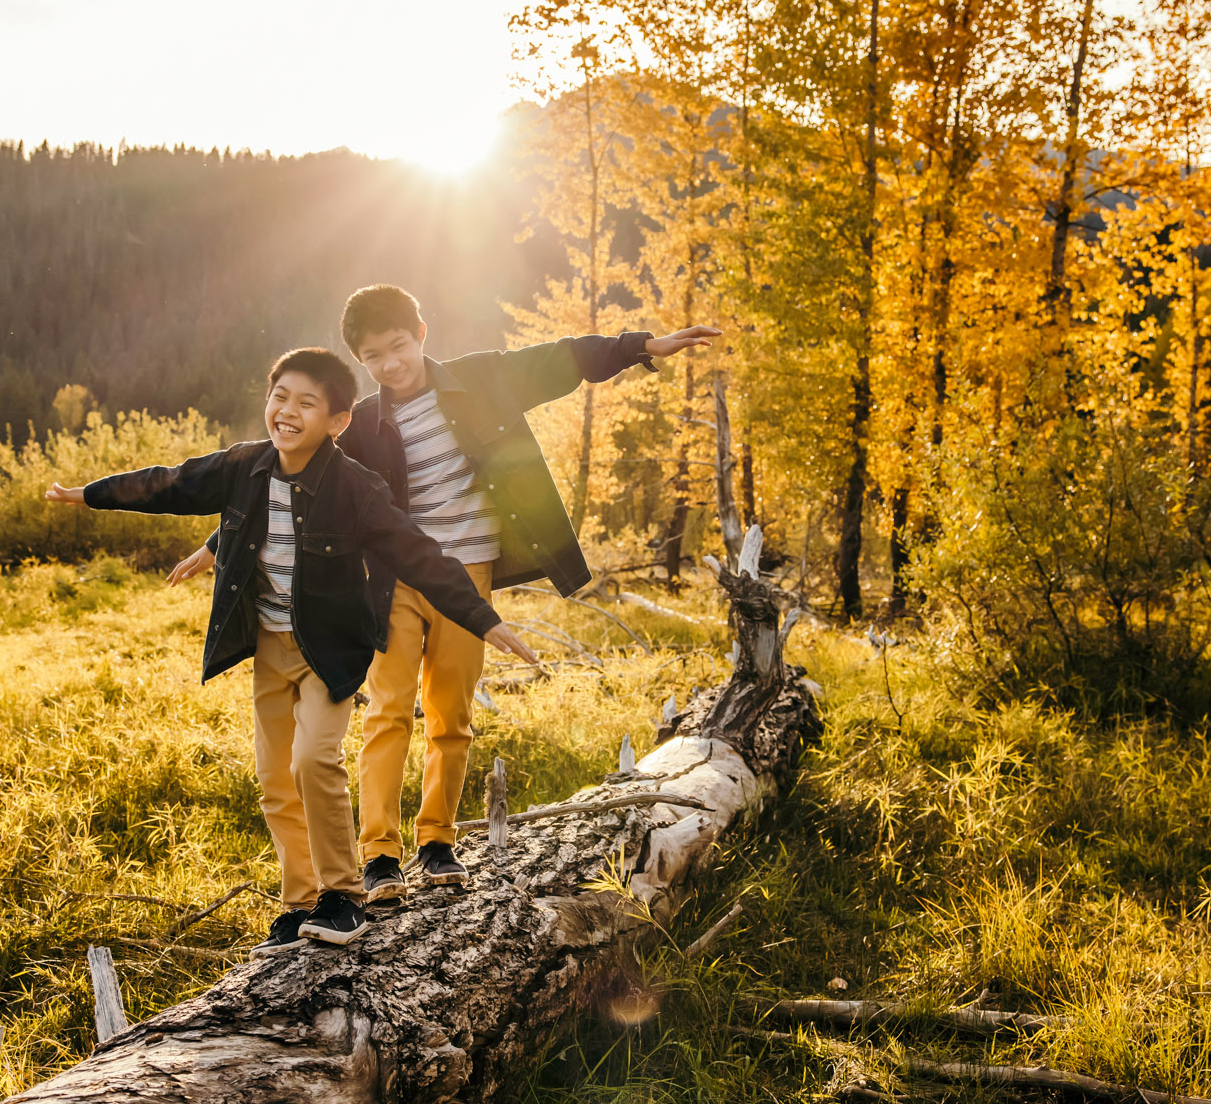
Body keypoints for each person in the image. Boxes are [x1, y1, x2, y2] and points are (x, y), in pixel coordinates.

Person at [168, 287, 719, 901]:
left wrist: (642, 346)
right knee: (388, 710)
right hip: (388, 582)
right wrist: (219, 543)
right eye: (373, 356)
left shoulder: (482, 380)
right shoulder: (362, 427)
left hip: (467, 576)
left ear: (421, 333)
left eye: (398, 346)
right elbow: (295, 477)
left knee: (451, 715)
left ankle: (437, 841)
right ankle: (379, 855)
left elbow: (562, 358)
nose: (390, 364)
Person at [46, 346, 537, 955]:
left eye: (308, 403)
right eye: (280, 397)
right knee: (274, 780)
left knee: (314, 760)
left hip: (328, 649)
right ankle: (299, 900)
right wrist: (91, 495)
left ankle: (344, 894)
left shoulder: (355, 487)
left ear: (337, 421)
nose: (287, 411)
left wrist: (482, 619)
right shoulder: (245, 467)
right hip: (270, 646)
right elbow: (170, 482)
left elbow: (417, 553)